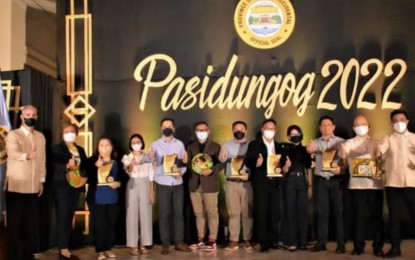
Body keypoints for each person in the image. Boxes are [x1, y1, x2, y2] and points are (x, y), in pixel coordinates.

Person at [338, 115, 384, 256]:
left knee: (377, 217)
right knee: (358, 217)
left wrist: (381, 169)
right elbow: (343, 158)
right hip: (357, 186)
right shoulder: (348, 143)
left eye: (363, 124)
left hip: (375, 185)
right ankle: (358, 246)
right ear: (353, 128)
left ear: (369, 126)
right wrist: (342, 155)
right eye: (357, 124)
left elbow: (383, 161)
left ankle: (378, 246)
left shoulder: (377, 142)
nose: (361, 126)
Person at [5, 105, 46, 260]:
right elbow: (12, 153)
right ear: (22, 117)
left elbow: (42, 160)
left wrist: (41, 181)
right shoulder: (13, 135)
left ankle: (28, 255)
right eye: (27, 114)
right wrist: (27, 156)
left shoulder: (40, 137)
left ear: (37, 117)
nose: (30, 117)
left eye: (33, 115)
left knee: (31, 225)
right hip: (16, 186)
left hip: (33, 187)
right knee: (15, 226)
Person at [245, 118, 289, 253]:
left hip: (275, 183)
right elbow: (248, 161)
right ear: (262, 130)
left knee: (274, 213)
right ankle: (263, 243)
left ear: (275, 131)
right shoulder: (254, 144)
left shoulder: (279, 146)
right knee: (261, 212)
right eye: (267, 128)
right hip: (261, 183)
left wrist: (285, 167)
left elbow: (282, 164)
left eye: (272, 128)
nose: (270, 131)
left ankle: (273, 241)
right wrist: (256, 163)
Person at [148, 118, 192, 255]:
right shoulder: (154, 145)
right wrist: (150, 158)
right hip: (162, 182)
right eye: (164, 126)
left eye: (170, 126)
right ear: (161, 129)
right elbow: (150, 163)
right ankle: (165, 244)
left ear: (174, 128)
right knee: (164, 214)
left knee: (179, 214)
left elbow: (183, 162)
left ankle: (179, 242)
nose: (167, 128)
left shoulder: (179, 144)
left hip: (177, 183)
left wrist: (182, 171)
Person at [378, 109, 415, 258]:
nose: (399, 123)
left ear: (407, 121)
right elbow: (379, 151)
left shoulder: (414, 138)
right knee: (394, 218)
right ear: (392, 123)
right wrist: (377, 152)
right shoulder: (388, 139)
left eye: (402, 120)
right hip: (393, 184)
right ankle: (395, 248)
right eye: (395, 120)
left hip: (412, 183)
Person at [306, 115, 345, 254]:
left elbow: (346, 164)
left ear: (333, 127)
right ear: (319, 128)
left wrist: (342, 167)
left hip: (337, 182)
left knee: (339, 214)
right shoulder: (316, 142)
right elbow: (309, 150)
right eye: (323, 125)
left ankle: (341, 244)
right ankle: (321, 242)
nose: (326, 127)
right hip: (321, 182)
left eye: (328, 125)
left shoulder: (342, 142)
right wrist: (309, 148)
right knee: (322, 213)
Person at [51, 123, 88, 259]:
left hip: (75, 187)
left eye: (72, 131)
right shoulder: (56, 149)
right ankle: (62, 248)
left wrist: (85, 177)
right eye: (66, 131)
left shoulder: (81, 150)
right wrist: (66, 165)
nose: (69, 133)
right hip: (61, 186)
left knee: (70, 216)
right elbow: (52, 166)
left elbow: (85, 167)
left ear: (76, 133)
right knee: (63, 216)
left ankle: (65, 245)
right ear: (62, 134)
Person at [187, 121, 224, 251]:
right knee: (198, 213)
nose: (201, 132)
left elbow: (221, 164)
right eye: (198, 130)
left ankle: (212, 239)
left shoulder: (216, 147)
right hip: (194, 184)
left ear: (208, 131)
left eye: (204, 130)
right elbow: (187, 165)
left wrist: (212, 170)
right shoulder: (191, 147)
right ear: (195, 132)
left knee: (212, 212)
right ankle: (200, 238)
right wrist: (192, 167)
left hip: (210, 184)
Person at [219, 121, 253, 251]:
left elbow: (255, 162)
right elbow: (222, 159)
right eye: (236, 129)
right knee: (234, 213)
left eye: (241, 129)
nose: (239, 131)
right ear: (233, 131)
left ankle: (247, 239)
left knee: (247, 212)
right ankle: (233, 240)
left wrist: (249, 174)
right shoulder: (227, 144)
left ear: (246, 130)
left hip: (246, 183)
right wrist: (222, 156)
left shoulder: (252, 145)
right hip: (231, 182)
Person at [86, 137, 121, 260]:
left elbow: (123, 178)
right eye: (101, 145)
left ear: (112, 147)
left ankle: (108, 248)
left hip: (113, 198)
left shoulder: (117, 161)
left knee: (111, 224)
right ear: (97, 147)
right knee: (99, 225)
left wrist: (119, 183)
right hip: (97, 198)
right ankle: (100, 250)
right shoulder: (91, 161)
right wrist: (96, 166)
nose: (104, 147)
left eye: (107, 145)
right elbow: (85, 176)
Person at [122, 133, 154, 255]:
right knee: (131, 213)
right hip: (132, 183)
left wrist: (152, 192)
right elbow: (127, 171)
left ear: (142, 143)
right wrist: (131, 165)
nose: (136, 144)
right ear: (130, 145)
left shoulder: (147, 157)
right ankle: (133, 244)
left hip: (146, 183)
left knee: (146, 213)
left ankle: (144, 244)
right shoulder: (127, 157)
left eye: (138, 142)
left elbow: (151, 175)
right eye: (133, 142)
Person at [283, 125, 313, 251]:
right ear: (289, 137)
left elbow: (309, 168)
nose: (295, 136)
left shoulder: (306, 149)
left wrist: (310, 185)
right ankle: (292, 242)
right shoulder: (285, 150)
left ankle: (303, 242)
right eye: (292, 134)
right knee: (290, 211)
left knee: (303, 212)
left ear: (301, 134)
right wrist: (286, 166)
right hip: (289, 180)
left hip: (302, 180)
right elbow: (283, 171)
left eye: (297, 133)